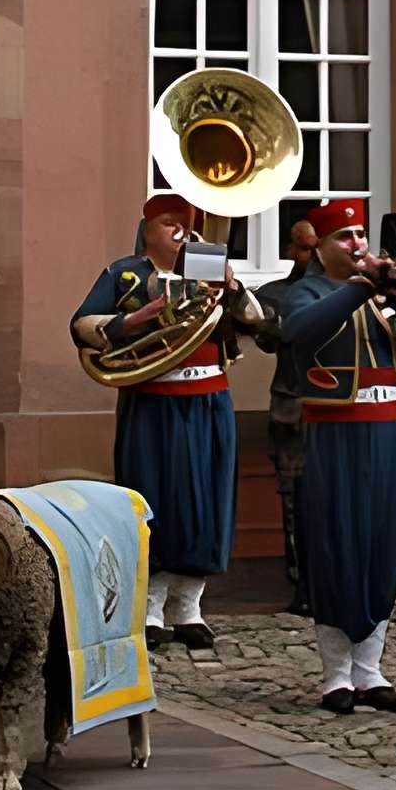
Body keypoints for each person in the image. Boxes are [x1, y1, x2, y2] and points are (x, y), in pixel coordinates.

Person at [70, 190, 266, 647]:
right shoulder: (125, 273)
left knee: (205, 500)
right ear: (148, 230)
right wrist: (133, 319)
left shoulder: (210, 272)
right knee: (153, 495)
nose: (180, 231)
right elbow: (80, 324)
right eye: (168, 223)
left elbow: (259, 320)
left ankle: (190, 605)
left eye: (186, 222)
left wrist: (233, 286)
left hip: (208, 398)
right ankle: (151, 606)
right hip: (154, 397)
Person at [271, 200, 396, 714]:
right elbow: (299, 333)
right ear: (320, 247)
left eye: (361, 233)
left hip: (388, 430)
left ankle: (371, 669)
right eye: (344, 236)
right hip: (334, 434)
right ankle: (336, 675)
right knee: (335, 543)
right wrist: (360, 288)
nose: (358, 244)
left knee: (382, 542)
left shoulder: (382, 295)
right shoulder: (308, 291)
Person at [251, 220, 317, 618]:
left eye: (316, 248)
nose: (309, 257)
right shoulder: (274, 294)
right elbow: (264, 338)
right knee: (292, 501)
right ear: (292, 250)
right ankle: (300, 584)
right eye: (304, 249)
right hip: (291, 407)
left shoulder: (349, 290)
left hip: (335, 408)